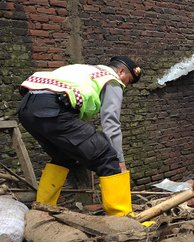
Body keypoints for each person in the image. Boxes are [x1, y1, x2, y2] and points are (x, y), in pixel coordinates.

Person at [17, 56, 142, 217]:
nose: (126, 85)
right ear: (121, 71)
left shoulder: (85, 69)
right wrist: (120, 162)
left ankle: (42, 209)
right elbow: (111, 124)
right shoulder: (111, 80)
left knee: (63, 157)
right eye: (129, 80)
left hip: (27, 109)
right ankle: (123, 218)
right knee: (108, 156)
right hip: (53, 110)